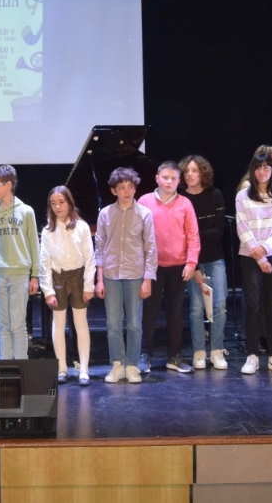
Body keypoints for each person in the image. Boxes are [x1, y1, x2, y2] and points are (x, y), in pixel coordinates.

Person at [138, 161, 201, 374]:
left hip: (177, 267)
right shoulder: (145, 201)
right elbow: (137, 235)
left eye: (174, 178)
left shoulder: (185, 204)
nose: (169, 181)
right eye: (165, 177)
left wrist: (191, 263)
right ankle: (144, 354)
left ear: (179, 181)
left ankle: (174, 357)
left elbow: (193, 235)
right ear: (157, 177)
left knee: (175, 313)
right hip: (151, 268)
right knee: (149, 312)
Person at [94, 168, 156, 384]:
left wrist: (148, 279)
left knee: (134, 323)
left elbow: (151, 248)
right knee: (113, 323)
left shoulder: (145, 214)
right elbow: (99, 248)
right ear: (114, 190)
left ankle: (132, 365)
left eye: (130, 186)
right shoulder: (105, 214)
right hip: (111, 274)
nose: (127, 191)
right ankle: (117, 364)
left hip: (135, 274)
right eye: (121, 187)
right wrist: (99, 279)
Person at [235, 153, 272, 375]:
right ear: (253, 170)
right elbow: (242, 226)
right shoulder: (243, 196)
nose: (262, 171)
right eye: (258, 167)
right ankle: (252, 355)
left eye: (266, 167)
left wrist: (266, 250)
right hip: (250, 256)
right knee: (252, 305)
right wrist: (259, 256)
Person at [39, 186, 96, 386]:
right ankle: (62, 368)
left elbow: (90, 259)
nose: (57, 206)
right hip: (58, 279)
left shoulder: (81, 227)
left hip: (79, 278)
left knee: (81, 324)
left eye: (61, 202)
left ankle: (84, 369)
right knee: (58, 324)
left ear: (69, 203)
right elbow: (44, 263)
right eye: (53, 203)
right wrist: (48, 291)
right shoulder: (47, 231)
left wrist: (89, 286)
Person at [0, 165, 40, 360]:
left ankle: (21, 366)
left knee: (18, 324)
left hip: (19, 275)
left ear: (8, 185)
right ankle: (6, 365)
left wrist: (35, 275)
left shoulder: (26, 211)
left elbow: (34, 244)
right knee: (3, 324)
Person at [179, 155, 229, 370]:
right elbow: (182, 237)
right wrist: (195, 265)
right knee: (196, 308)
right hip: (192, 263)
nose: (190, 175)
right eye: (187, 171)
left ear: (203, 173)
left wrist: (194, 235)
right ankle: (199, 351)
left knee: (219, 306)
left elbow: (219, 231)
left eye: (195, 171)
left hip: (216, 259)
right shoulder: (180, 198)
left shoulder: (215, 195)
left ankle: (216, 350)